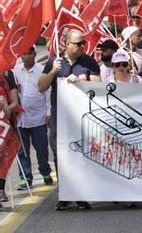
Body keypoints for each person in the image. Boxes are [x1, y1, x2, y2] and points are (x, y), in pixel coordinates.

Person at [38, 28, 100, 211]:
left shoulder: (88, 61)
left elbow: (98, 83)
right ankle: (64, 194)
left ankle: (80, 194)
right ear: (66, 43)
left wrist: (82, 81)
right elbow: (41, 86)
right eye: (78, 43)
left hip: (81, 116)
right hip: (60, 117)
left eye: (83, 43)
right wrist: (52, 72)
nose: (82, 46)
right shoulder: (54, 62)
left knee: (81, 154)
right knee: (60, 155)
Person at [14, 46, 51, 192]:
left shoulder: (42, 70)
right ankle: (25, 177)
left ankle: (45, 171)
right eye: (24, 53)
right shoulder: (15, 71)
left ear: (34, 54)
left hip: (38, 117)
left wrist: (48, 112)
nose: (27, 56)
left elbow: (48, 91)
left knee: (41, 148)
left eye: (29, 53)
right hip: (20, 118)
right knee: (22, 150)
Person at [0, 57, 19, 202]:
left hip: (4, 125)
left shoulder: (7, 74)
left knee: (3, 157)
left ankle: (0, 189)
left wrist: (4, 107)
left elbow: (14, 103)